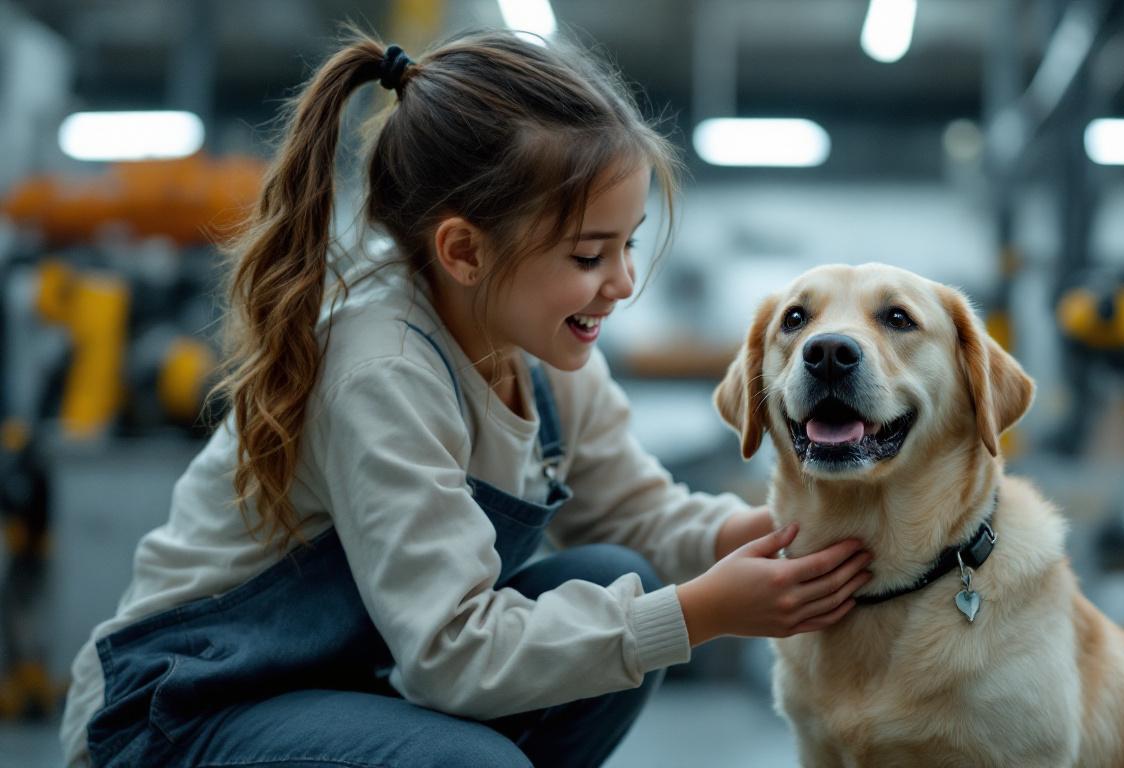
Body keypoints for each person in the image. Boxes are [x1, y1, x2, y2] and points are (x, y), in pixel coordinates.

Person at [59, 29, 874, 768]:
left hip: (344, 684)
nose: (623, 284)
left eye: (626, 246)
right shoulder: (383, 371)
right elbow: (451, 652)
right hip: (180, 711)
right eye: (590, 255)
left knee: (612, 575)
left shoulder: (548, 352)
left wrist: (786, 532)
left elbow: (637, 517)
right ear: (464, 251)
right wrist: (699, 613)